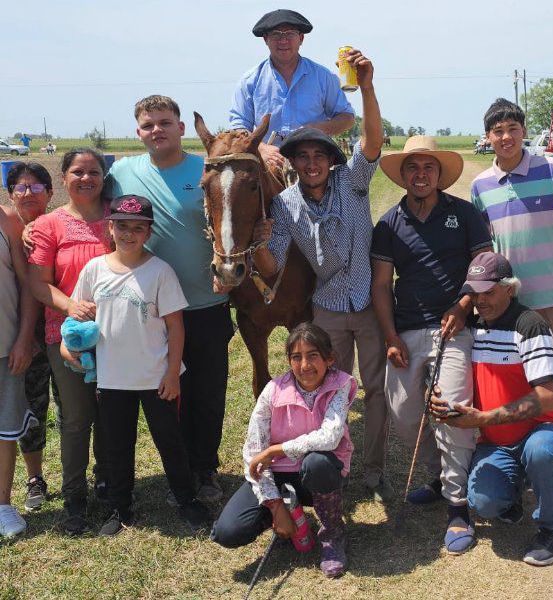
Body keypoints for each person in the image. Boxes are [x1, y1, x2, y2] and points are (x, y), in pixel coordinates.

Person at [251, 49, 392, 502]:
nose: (311, 163)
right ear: (292, 162)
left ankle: (373, 467)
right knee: (330, 392)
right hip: (328, 308)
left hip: (368, 303)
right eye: (303, 156)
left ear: (331, 160)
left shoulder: (353, 181)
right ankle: (333, 465)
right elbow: (271, 265)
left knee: (375, 390)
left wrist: (366, 88)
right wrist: (259, 243)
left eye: (319, 155)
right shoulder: (286, 206)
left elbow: (372, 141)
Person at [470, 98, 553, 506]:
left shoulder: (550, 170)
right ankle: (532, 466)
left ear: (522, 131)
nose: (506, 136)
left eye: (513, 128)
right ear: (488, 136)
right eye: (498, 130)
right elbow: (483, 249)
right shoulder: (481, 186)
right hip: (509, 308)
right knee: (516, 388)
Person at [371, 136, 493, 553]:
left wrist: (463, 305)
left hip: (455, 329)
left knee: (451, 408)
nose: (420, 175)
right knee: (404, 415)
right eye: (412, 168)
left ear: (439, 174)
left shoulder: (464, 213)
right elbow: (382, 285)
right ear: (402, 175)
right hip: (405, 330)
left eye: (428, 168)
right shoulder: (388, 224)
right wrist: (389, 337)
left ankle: (458, 506)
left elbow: (483, 264)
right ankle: (437, 476)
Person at [109, 95, 233, 504]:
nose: (156, 130)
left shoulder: (207, 170)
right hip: (150, 312)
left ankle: (204, 468)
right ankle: (178, 471)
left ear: (182, 128)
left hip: (205, 303)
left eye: (164, 122)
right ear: (138, 133)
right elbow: (89, 208)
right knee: (167, 394)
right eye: (148, 125)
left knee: (208, 392)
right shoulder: (122, 173)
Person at [66, 195, 210, 536]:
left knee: (170, 441)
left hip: (156, 376)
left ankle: (186, 499)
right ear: (109, 228)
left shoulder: (160, 271)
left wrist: (173, 372)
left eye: (137, 228)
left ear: (148, 232)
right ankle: (119, 505)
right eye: (122, 226)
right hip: (113, 379)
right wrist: (69, 347)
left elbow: (176, 326)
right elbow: (77, 315)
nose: (129, 234)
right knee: (117, 445)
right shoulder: (94, 270)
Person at [431, 252, 553, 566]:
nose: (480, 300)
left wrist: (483, 419)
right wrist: (441, 399)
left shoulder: (531, 325)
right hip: (496, 442)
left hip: (543, 429)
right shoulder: (470, 327)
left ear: (510, 289)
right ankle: (513, 492)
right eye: (475, 292)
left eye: (489, 292)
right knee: (483, 503)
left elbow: (548, 398)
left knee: (542, 450)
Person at [211, 323, 356, 578]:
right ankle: (286, 515)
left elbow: (331, 436)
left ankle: (333, 534)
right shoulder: (272, 390)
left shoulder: (341, 384)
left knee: (317, 464)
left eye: (313, 356)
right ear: (288, 361)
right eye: (296, 357)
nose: (305, 366)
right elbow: (254, 451)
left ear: (329, 358)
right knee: (228, 532)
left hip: (316, 474)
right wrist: (276, 505)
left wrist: (277, 449)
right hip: (277, 475)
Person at [27, 148, 111, 535]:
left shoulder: (119, 216)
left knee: (113, 414)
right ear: (64, 178)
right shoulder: (48, 225)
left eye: (94, 171)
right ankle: (75, 495)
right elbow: (38, 282)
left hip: (118, 335)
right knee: (76, 418)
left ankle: (110, 483)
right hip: (66, 335)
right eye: (78, 171)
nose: (86, 178)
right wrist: (71, 305)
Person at [229, 8, 355, 171]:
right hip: (269, 167)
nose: (283, 40)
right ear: (266, 39)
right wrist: (261, 148)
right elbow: (238, 126)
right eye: (276, 34)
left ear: (301, 38)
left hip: (314, 166)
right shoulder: (249, 81)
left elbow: (347, 117)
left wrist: (318, 129)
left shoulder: (323, 77)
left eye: (290, 34)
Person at [5, 163, 56, 511]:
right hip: (24, 333)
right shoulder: (8, 229)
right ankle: (35, 477)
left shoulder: (66, 223)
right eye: (21, 187)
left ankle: (91, 472)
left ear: (50, 193)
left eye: (37, 187)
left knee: (79, 407)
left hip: (66, 327)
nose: (28, 193)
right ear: (10, 194)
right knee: (32, 406)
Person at [0, 202, 38, 538]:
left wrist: (25, 337)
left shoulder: (7, 218)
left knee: (5, 430)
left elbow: (27, 284)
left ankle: (3, 505)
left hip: (4, 343)